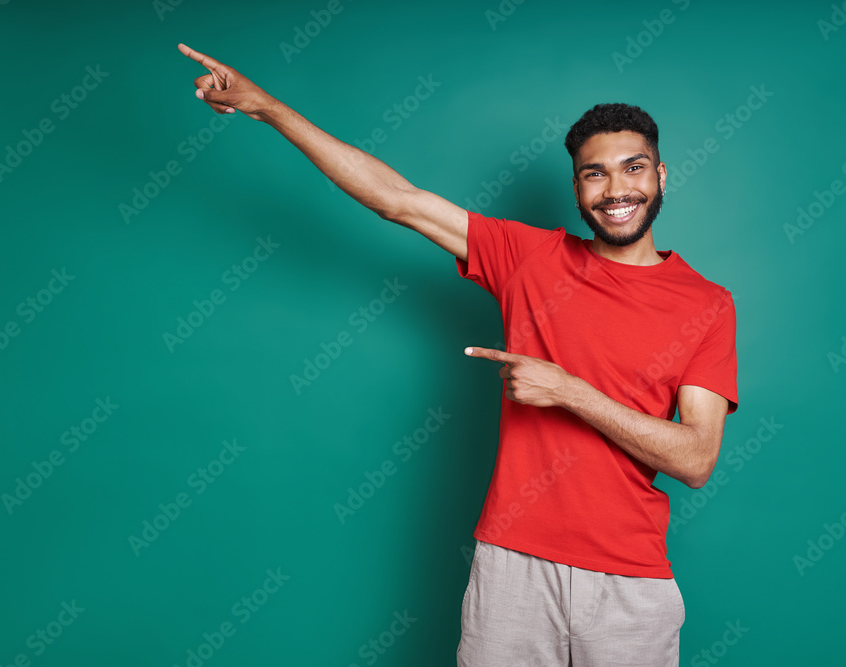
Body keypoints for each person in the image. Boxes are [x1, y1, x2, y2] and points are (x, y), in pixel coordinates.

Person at [178, 43, 738, 667]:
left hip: (630, 582)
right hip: (512, 567)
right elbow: (398, 198)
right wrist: (266, 107)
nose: (615, 189)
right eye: (594, 173)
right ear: (577, 186)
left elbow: (695, 459)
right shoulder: (532, 258)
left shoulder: (706, 304)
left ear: (661, 175)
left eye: (633, 168)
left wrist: (569, 391)